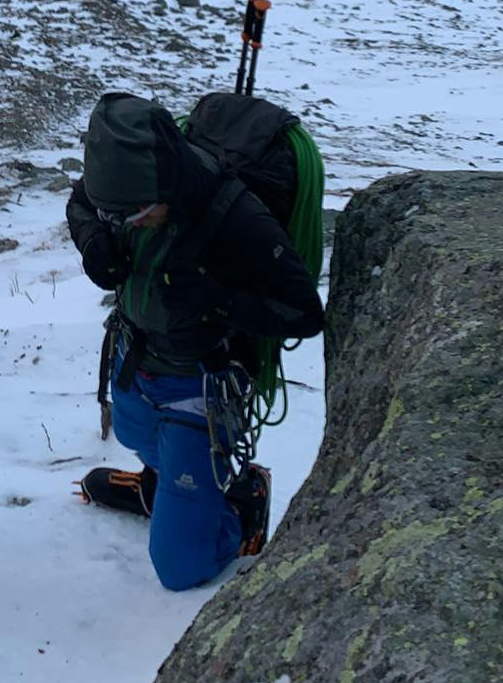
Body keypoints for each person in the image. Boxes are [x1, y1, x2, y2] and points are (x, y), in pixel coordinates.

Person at [67, 91, 324, 591]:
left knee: (178, 568)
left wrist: (214, 296)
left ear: (167, 183)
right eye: (118, 216)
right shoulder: (120, 182)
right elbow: (81, 204)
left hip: (199, 384)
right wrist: (94, 241)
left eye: (136, 216)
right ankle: (174, 492)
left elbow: (304, 313)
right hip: (136, 355)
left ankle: (238, 507)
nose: (127, 226)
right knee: (133, 432)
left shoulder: (233, 216)